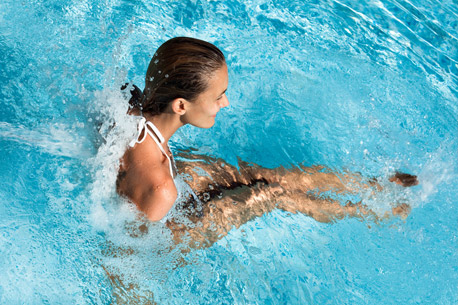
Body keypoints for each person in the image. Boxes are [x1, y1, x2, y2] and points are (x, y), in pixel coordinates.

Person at [116, 37, 418, 246]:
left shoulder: (129, 101)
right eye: (218, 95)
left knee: (258, 175)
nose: (226, 102)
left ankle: (373, 186)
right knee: (271, 195)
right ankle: (368, 212)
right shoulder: (162, 190)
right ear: (180, 105)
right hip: (176, 233)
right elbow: (133, 255)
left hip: (167, 175)